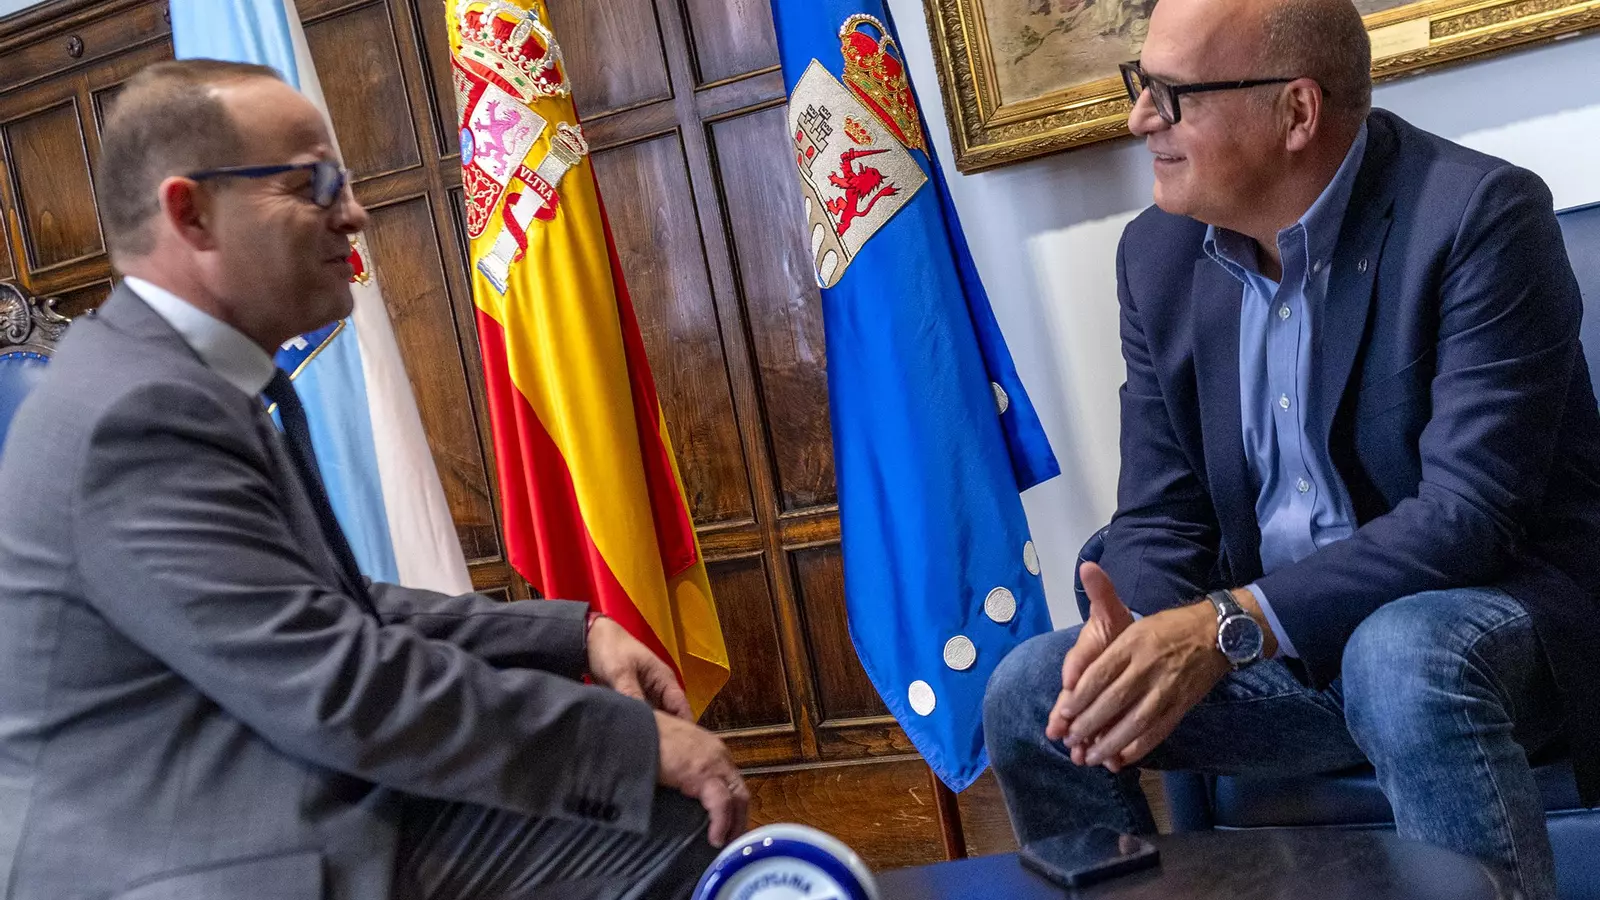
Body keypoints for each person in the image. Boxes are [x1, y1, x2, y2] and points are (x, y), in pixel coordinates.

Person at [0, 59, 746, 900]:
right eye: (312, 184)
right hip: (175, 855)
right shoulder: (140, 414)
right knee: (655, 818)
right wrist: (629, 745)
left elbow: (326, 606)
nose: (353, 212)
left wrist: (571, 636)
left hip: (246, 787)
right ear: (192, 213)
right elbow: (339, 684)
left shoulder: (171, 376)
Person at [982, 0, 1600, 896]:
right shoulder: (1157, 256)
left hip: (1485, 636)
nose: (1140, 117)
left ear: (1297, 111)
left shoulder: (1477, 216)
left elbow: (1468, 519)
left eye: (1171, 94)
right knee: (1034, 689)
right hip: (1281, 655)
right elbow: (1162, 513)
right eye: (1140, 84)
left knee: (1397, 657)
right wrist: (1138, 630)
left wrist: (1225, 626)